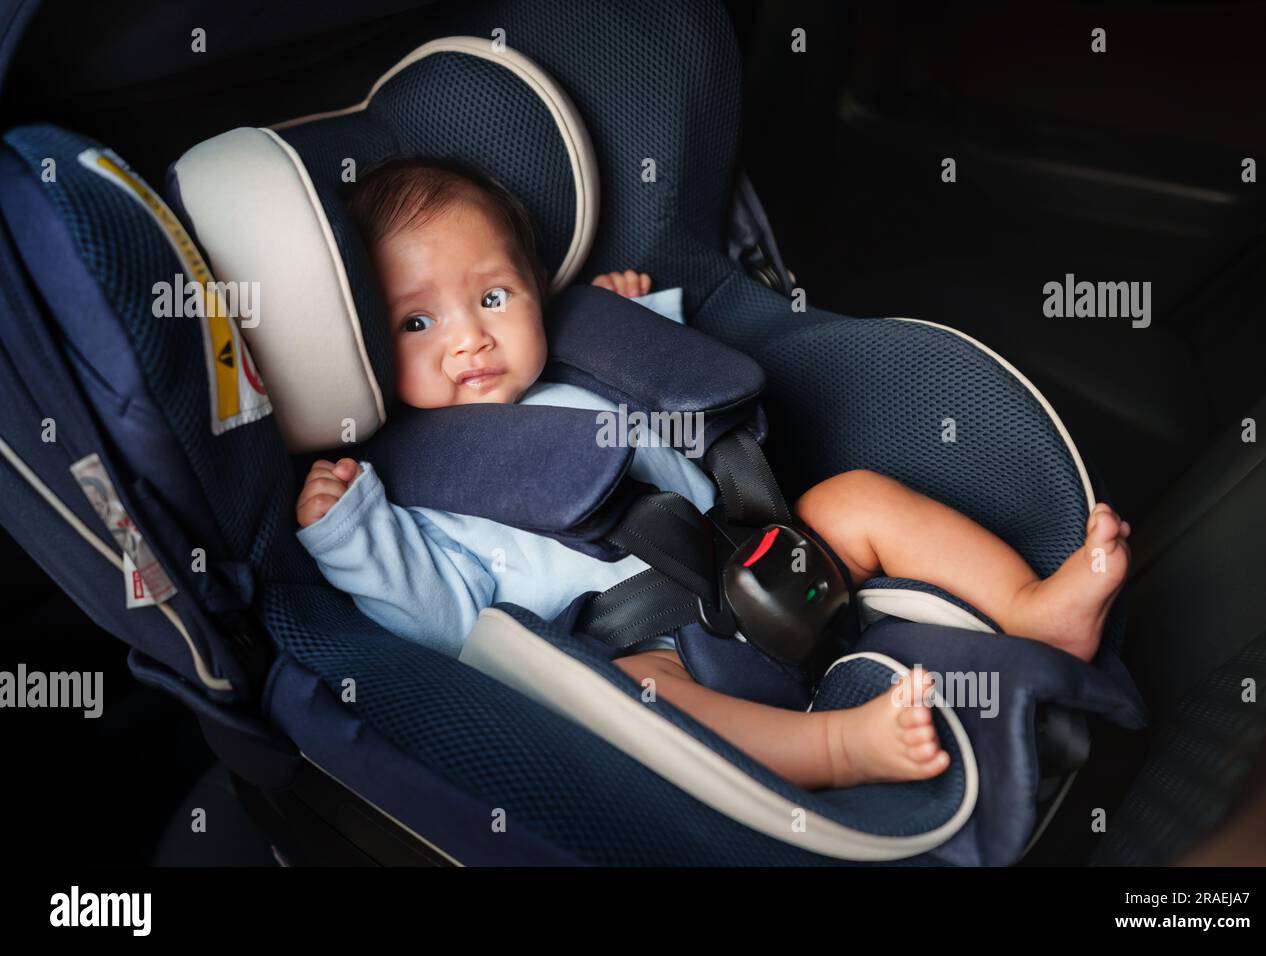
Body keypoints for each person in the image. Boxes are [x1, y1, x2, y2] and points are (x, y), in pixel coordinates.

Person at [295, 156, 1131, 790]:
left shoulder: (582, 360)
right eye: (417, 319)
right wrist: (350, 536)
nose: (469, 339)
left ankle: (1033, 611)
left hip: (765, 550)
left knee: (857, 500)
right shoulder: (423, 497)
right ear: (368, 351)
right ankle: (839, 749)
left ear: (536, 291)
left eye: (494, 297)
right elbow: (442, 619)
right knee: (633, 695)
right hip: (652, 643)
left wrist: (633, 318)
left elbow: (685, 401)